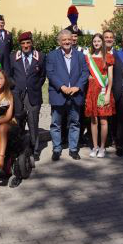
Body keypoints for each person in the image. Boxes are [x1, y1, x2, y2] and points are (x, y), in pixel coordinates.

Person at [46, 29, 89, 161]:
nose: (66, 42)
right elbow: (50, 73)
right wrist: (62, 87)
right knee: (56, 124)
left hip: (75, 95)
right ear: (59, 41)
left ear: (73, 40)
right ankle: (57, 149)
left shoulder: (80, 56)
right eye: (63, 40)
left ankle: (73, 149)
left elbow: (85, 72)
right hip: (59, 94)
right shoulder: (52, 55)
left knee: (75, 123)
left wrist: (77, 87)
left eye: (68, 39)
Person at [9, 32, 46, 161]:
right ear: (20, 45)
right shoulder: (13, 57)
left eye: (28, 43)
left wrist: (33, 86)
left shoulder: (40, 57)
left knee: (33, 122)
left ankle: (34, 150)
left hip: (33, 95)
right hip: (17, 95)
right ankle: (19, 149)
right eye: (23, 43)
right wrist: (16, 88)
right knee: (18, 123)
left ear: (32, 43)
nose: (26, 46)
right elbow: (9, 75)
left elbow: (42, 76)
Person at [84, 34, 115, 158]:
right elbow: (85, 73)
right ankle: (95, 146)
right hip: (91, 91)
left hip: (103, 91)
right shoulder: (88, 58)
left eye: (99, 41)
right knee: (93, 120)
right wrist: (88, 77)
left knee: (103, 120)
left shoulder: (108, 57)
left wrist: (108, 94)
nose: (96, 43)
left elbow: (111, 78)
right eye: (94, 41)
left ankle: (102, 147)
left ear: (102, 42)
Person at [102, 29, 118, 148]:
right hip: (100, 90)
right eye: (106, 37)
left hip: (115, 90)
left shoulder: (118, 54)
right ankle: (103, 139)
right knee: (101, 116)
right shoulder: (96, 53)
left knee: (113, 116)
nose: (108, 39)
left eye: (110, 37)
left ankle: (113, 137)